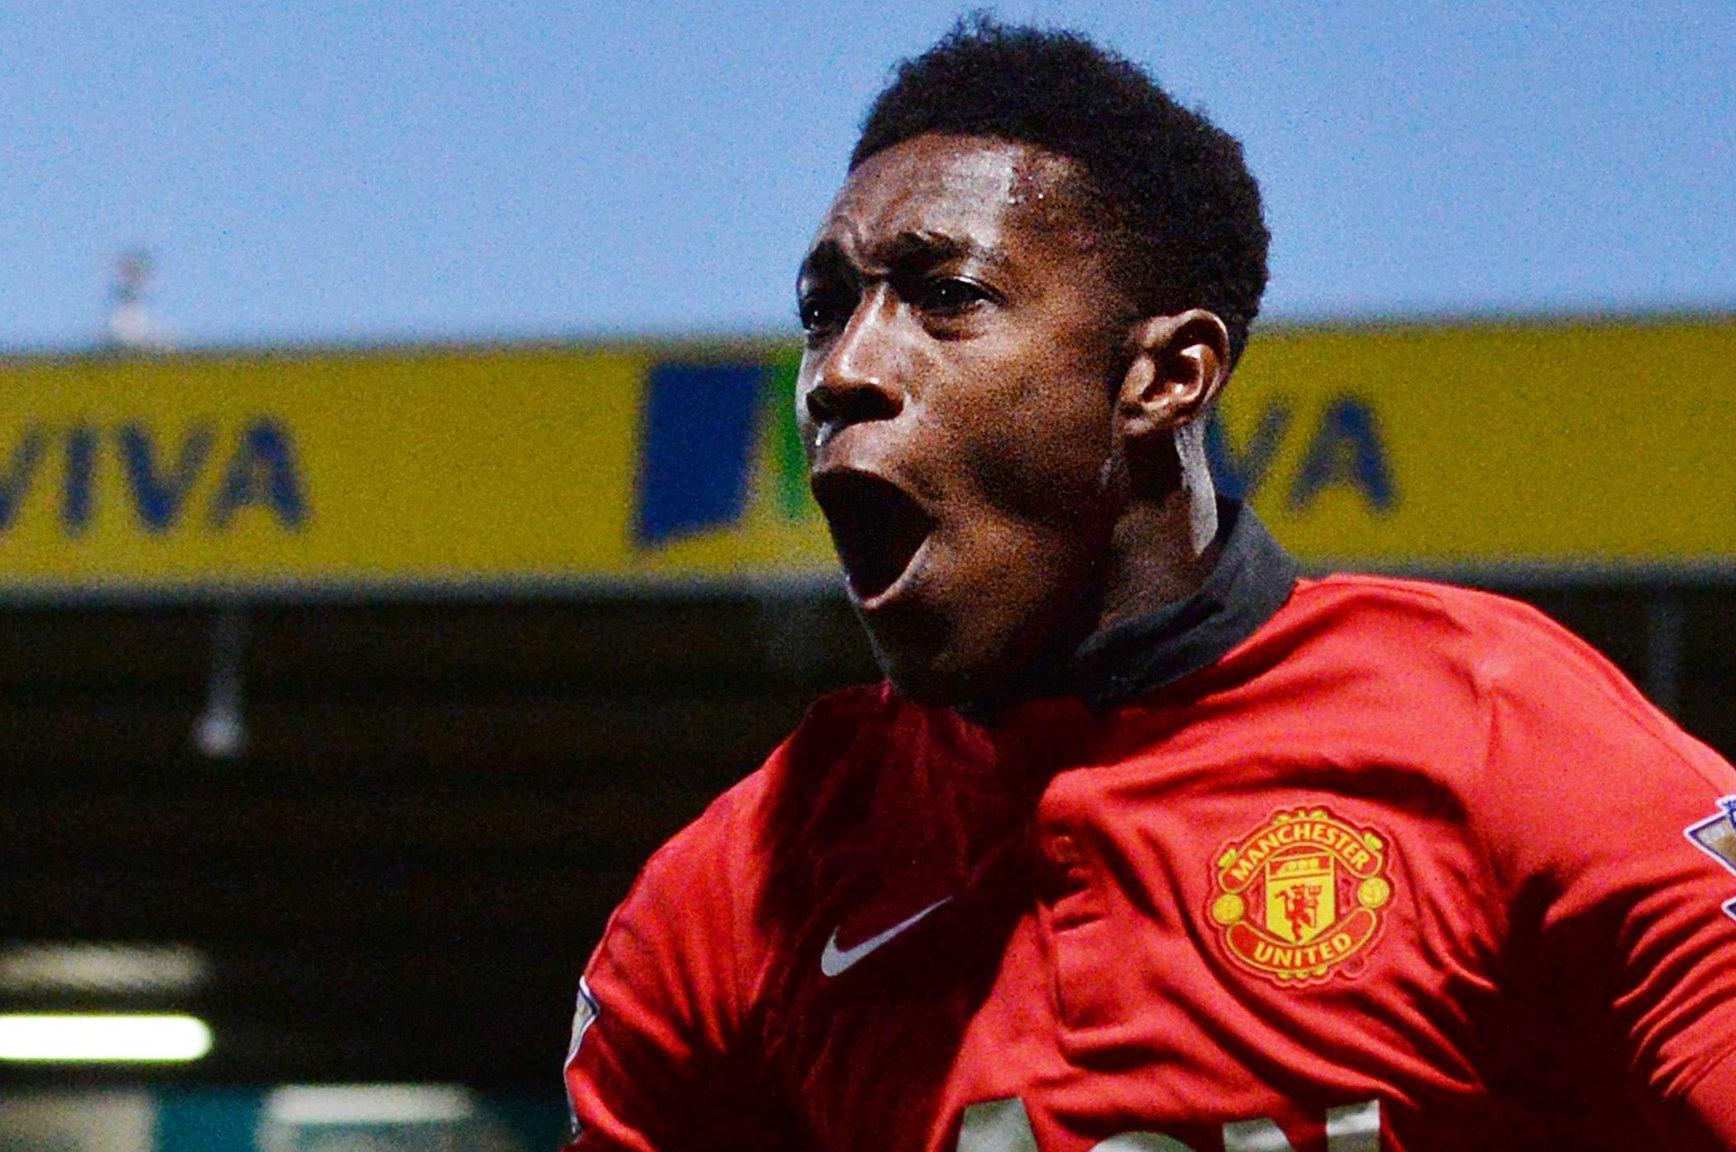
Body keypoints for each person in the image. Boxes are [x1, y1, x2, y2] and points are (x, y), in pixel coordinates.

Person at [562, 19, 1736, 1151]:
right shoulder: (736, 894)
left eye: (943, 297)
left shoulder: (1500, 737)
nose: (842, 371)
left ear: (1165, 377)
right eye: (825, 311)